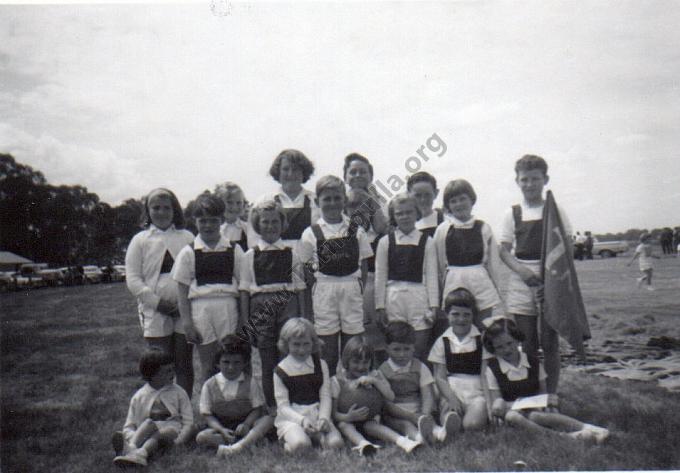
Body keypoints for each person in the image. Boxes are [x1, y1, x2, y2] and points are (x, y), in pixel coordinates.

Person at [498, 154, 572, 399]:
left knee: (549, 341)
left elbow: (567, 246)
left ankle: (551, 394)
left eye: (535, 179)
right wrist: (523, 272)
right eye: (524, 179)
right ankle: (532, 393)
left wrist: (549, 279)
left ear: (545, 179)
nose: (530, 184)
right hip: (521, 281)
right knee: (527, 342)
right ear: (517, 181)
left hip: (551, 279)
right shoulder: (512, 213)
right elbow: (504, 251)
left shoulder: (555, 209)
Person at [482, 318, 609, 443]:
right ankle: (564, 437)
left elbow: (542, 394)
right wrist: (511, 407)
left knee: (536, 415)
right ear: (493, 349)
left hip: (534, 409)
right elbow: (499, 403)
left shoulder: (533, 362)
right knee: (513, 416)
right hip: (510, 415)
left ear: (517, 340)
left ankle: (590, 428)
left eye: (509, 343)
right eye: (500, 347)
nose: (506, 349)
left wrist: (545, 403)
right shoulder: (493, 368)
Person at [299, 176, 373, 376]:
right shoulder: (310, 233)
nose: (332, 203)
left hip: (350, 289)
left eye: (337, 198)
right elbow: (307, 269)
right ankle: (328, 388)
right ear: (317, 202)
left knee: (355, 344)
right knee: (327, 346)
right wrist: (320, 289)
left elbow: (364, 265)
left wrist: (356, 288)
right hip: (324, 290)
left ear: (344, 201)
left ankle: (355, 388)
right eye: (327, 199)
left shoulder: (356, 229)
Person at [125, 188, 195, 397]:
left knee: (184, 364)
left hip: (184, 309)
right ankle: (164, 412)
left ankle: (184, 412)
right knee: (160, 365)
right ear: (147, 211)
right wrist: (157, 303)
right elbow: (133, 279)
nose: (162, 212)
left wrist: (184, 304)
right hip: (155, 311)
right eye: (156, 208)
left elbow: (195, 272)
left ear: (175, 210)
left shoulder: (186, 236)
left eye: (167, 207)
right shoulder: (140, 240)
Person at [239, 200, 307, 408]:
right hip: (261, 307)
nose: (270, 226)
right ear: (257, 225)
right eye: (265, 222)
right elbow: (244, 290)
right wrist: (246, 322)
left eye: (274, 221)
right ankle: (272, 408)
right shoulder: (250, 255)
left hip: (287, 303)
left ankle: (292, 403)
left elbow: (300, 287)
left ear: (282, 224)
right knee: (267, 359)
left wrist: (303, 317)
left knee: (288, 356)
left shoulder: (291, 252)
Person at [173, 192, 244, 384]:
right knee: (209, 364)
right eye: (202, 221)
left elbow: (244, 287)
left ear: (221, 220)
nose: (208, 225)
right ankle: (209, 407)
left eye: (213, 220)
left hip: (228, 308)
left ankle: (235, 406)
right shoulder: (188, 252)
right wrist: (187, 323)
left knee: (232, 359)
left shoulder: (234, 249)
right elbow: (181, 291)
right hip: (201, 310)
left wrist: (242, 319)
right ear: (195, 221)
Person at [331, 335, 423, 455]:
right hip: (348, 420)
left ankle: (403, 442)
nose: (360, 367)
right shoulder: (337, 380)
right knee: (344, 425)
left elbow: (391, 396)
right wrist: (348, 417)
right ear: (346, 360)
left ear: (371, 362)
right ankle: (363, 444)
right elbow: (333, 414)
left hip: (370, 418)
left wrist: (375, 381)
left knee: (371, 425)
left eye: (365, 362)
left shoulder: (375, 375)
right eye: (356, 362)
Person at [374, 194, 439, 360]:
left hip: (419, 298)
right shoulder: (385, 242)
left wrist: (433, 305)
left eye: (409, 212)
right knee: (396, 345)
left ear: (417, 213)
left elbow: (431, 275)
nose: (405, 217)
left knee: (419, 348)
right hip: (393, 297)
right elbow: (380, 276)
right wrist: (380, 306)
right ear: (393, 216)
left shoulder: (428, 241)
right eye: (399, 213)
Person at [434, 179, 503, 329]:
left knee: (483, 327)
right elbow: (440, 264)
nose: (459, 204)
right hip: (453, 281)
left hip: (480, 281)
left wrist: (497, 289)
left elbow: (493, 263)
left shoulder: (484, 227)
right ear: (448, 206)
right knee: (458, 327)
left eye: (463, 199)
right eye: (453, 201)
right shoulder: (443, 230)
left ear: (472, 199)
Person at [195, 335, 274, 457]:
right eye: (226, 362)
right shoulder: (209, 385)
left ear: (244, 363)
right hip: (221, 427)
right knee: (202, 437)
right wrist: (221, 430)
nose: (231, 367)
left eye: (237, 362)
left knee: (268, 420)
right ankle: (248, 442)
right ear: (217, 363)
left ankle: (238, 447)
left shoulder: (250, 382)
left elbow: (257, 409)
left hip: (245, 426)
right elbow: (207, 415)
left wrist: (247, 424)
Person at [273, 318, 344, 453]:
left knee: (336, 444)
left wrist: (323, 418)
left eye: (306, 344)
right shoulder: (280, 370)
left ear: (313, 343)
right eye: (296, 344)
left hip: (316, 413)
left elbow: (325, 396)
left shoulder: (321, 364)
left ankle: (316, 435)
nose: (301, 350)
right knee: (302, 446)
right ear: (286, 344)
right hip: (293, 418)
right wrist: (302, 420)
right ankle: (290, 443)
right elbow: (283, 407)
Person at [112, 350, 194, 466]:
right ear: (152, 375)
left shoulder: (179, 393)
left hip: (171, 432)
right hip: (146, 434)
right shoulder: (139, 396)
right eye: (167, 371)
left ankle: (141, 453)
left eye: (173, 369)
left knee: (167, 431)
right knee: (148, 423)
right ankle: (131, 448)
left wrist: (180, 441)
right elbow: (129, 426)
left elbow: (188, 422)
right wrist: (134, 437)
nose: (173, 374)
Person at [380, 321, 456, 445]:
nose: (402, 354)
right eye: (396, 349)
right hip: (396, 413)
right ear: (387, 348)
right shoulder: (383, 370)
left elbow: (427, 394)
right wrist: (410, 416)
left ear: (413, 348)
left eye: (407, 349)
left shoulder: (420, 367)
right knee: (406, 425)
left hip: (419, 410)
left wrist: (425, 414)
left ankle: (441, 433)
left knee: (429, 422)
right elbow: (386, 403)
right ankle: (420, 438)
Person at [428, 289, 488, 433]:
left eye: (466, 314)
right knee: (450, 416)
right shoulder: (442, 341)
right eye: (455, 314)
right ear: (447, 315)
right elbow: (440, 377)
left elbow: (486, 374)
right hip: (452, 391)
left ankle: (471, 418)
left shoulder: (482, 339)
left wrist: (489, 401)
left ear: (473, 315)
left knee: (472, 425)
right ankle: (449, 423)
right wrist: (451, 399)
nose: (461, 319)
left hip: (476, 392)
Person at [253, 149, 319, 249]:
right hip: (273, 261)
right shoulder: (263, 201)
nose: (290, 174)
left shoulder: (315, 201)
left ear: (303, 172)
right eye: (285, 169)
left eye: (295, 169)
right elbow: (254, 241)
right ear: (278, 172)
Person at [345, 188, 383, 329]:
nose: (358, 217)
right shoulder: (344, 239)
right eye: (353, 213)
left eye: (363, 212)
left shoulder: (379, 239)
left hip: (374, 290)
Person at [342, 153, 389, 234]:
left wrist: (372, 200)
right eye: (353, 172)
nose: (358, 175)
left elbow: (381, 229)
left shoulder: (381, 200)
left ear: (371, 176)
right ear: (345, 177)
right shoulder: (340, 200)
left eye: (363, 172)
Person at [407, 171, 445, 238]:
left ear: (436, 193)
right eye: (418, 196)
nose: (423, 200)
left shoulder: (446, 223)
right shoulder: (403, 226)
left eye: (427, 195)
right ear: (408, 195)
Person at [215, 181, 250, 251]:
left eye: (238, 203)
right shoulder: (215, 229)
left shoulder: (247, 229)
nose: (234, 207)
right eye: (229, 202)